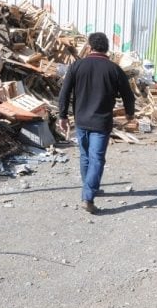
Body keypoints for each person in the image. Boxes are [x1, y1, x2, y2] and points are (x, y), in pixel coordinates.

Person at [58, 32, 136, 214]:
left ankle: (90, 188)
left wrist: (62, 116)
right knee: (97, 159)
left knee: (86, 157)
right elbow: (128, 95)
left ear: (89, 46)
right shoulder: (114, 69)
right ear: (106, 48)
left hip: (81, 121)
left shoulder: (77, 66)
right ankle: (88, 197)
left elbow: (64, 93)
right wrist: (130, 114)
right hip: (101, 122)